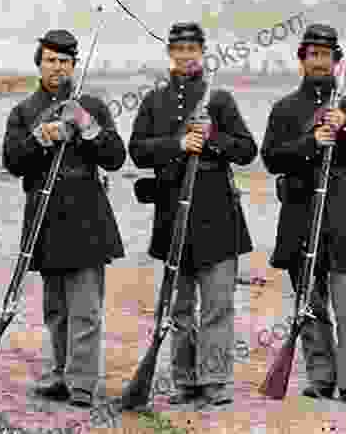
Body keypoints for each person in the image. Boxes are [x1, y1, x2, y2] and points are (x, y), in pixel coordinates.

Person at [128, 22, 257, 408]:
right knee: (180, 307)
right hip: (172, 216)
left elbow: (248, 150)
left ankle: (215, 380)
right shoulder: (154, 101)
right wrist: (179, 144)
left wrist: (212, 138)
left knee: (218, 305)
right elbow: (136, 151)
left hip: (217, 215)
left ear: (202, 52)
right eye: (179, 49)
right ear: (170, 53)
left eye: (192, 49)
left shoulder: (219, 99)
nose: (186, 55)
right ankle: (185, 380)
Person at [261, 23, 346, 408]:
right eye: (311, 54)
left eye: (325, 55)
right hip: (301, 212)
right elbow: (270, 158)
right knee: (309, 306)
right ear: (302, 60)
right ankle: (320, 376)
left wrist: (344, 130)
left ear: (336, 61)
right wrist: (311, 142)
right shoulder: (284, 109)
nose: (319, 61)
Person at [2, 29, 126, 408]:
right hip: (45, 216)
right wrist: (39, 138)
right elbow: (12, 162)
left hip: (87, 216)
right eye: (51, 60)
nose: (58, 67)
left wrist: (87, 127)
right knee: (56, 308)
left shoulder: (91, 105)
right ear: (39, 62)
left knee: (85, 307)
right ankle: (60, 373)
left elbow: (116, 158)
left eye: (66, 61)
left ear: (74, 65)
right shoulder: (23, 112)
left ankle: (82, 383)